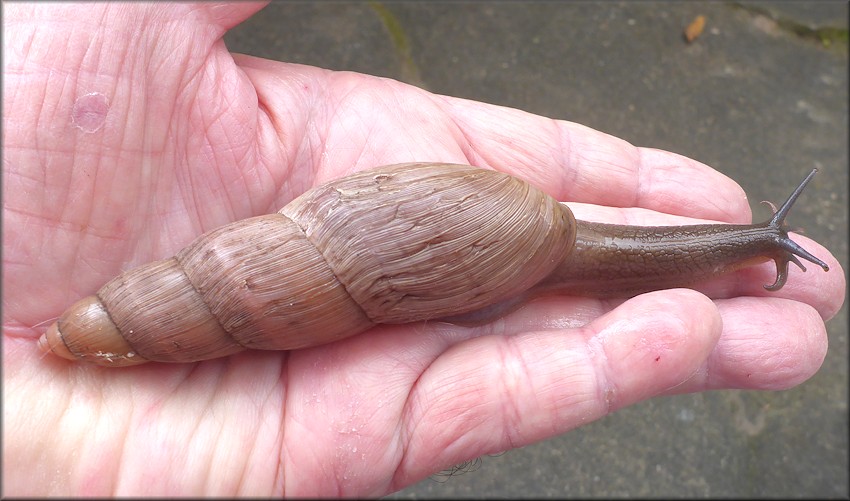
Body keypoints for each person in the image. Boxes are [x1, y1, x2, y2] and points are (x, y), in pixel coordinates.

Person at [3, 2, 844, 497]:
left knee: (563, 242)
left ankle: (752, 240)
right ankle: (752, 242)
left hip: (321, 254)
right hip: (306, 265)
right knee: (563, 241)